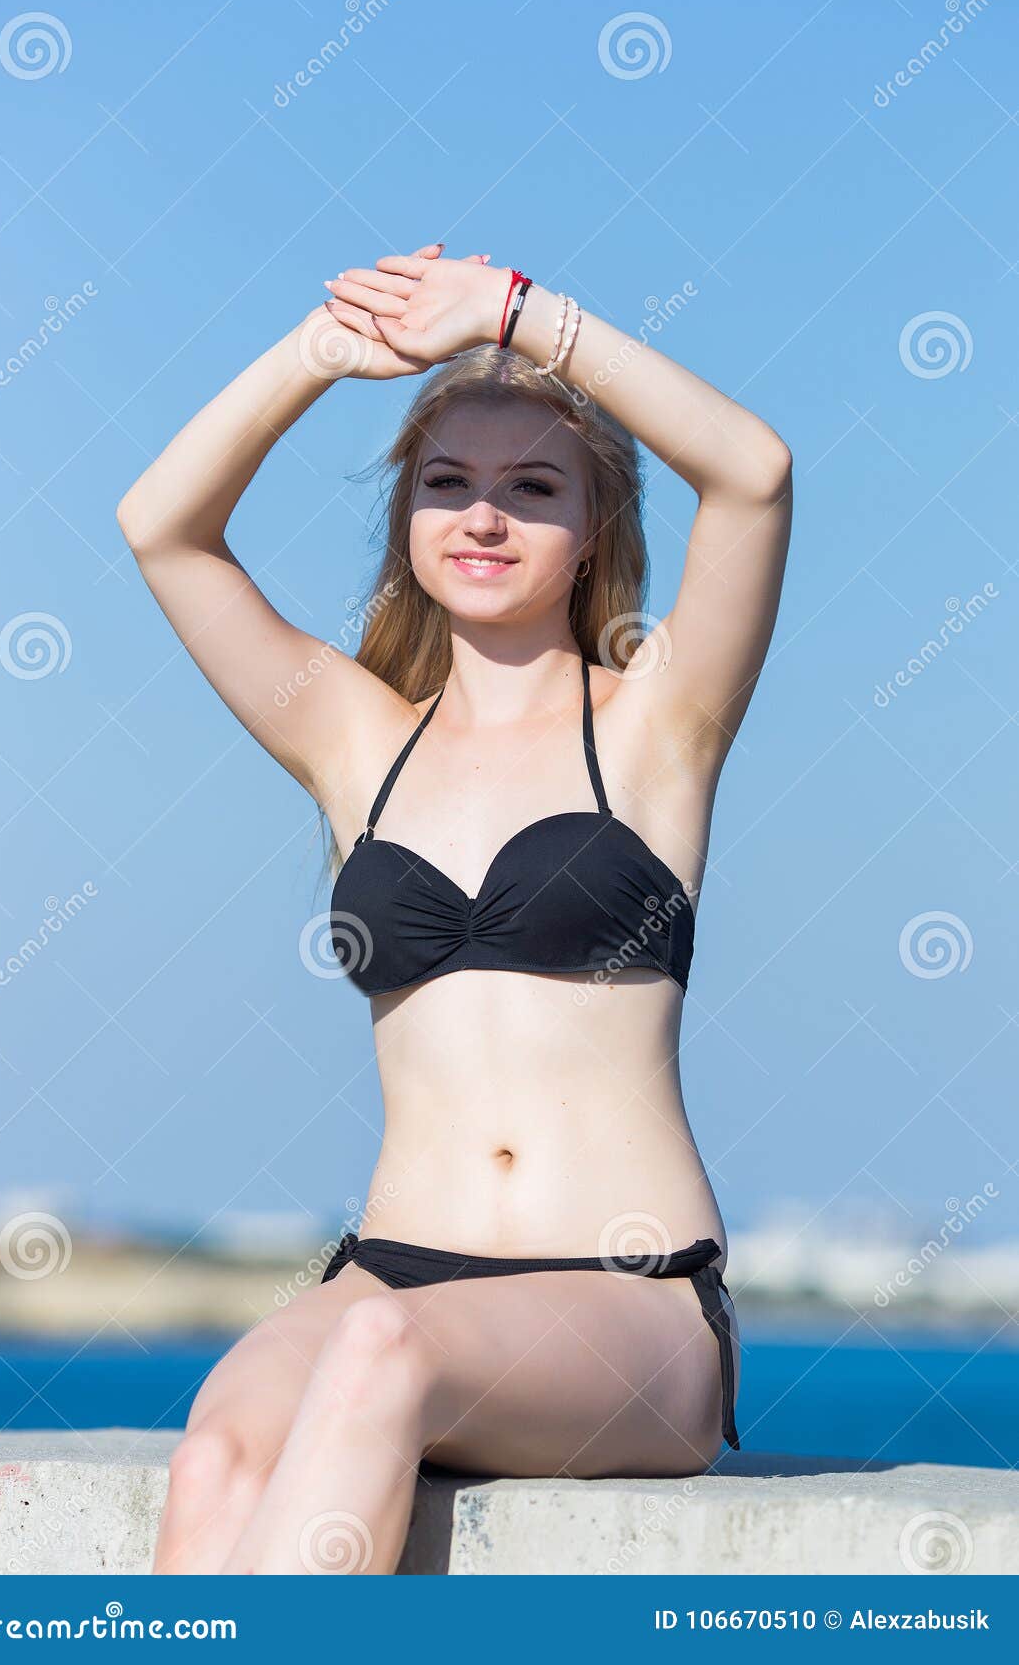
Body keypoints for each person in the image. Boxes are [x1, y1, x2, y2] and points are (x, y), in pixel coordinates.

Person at [117, 242, 792, 1575]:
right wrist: (325, 350)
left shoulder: (658, 722)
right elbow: (161, 526)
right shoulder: (356, 742)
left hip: (624, 1300)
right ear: (407, 522)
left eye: (531, 488)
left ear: (593, 526)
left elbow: (751, 471)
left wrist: (515, 320)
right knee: (212, 1458)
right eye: (449, 485)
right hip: (387, 1271)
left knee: (376, 1355)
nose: (483, 517)